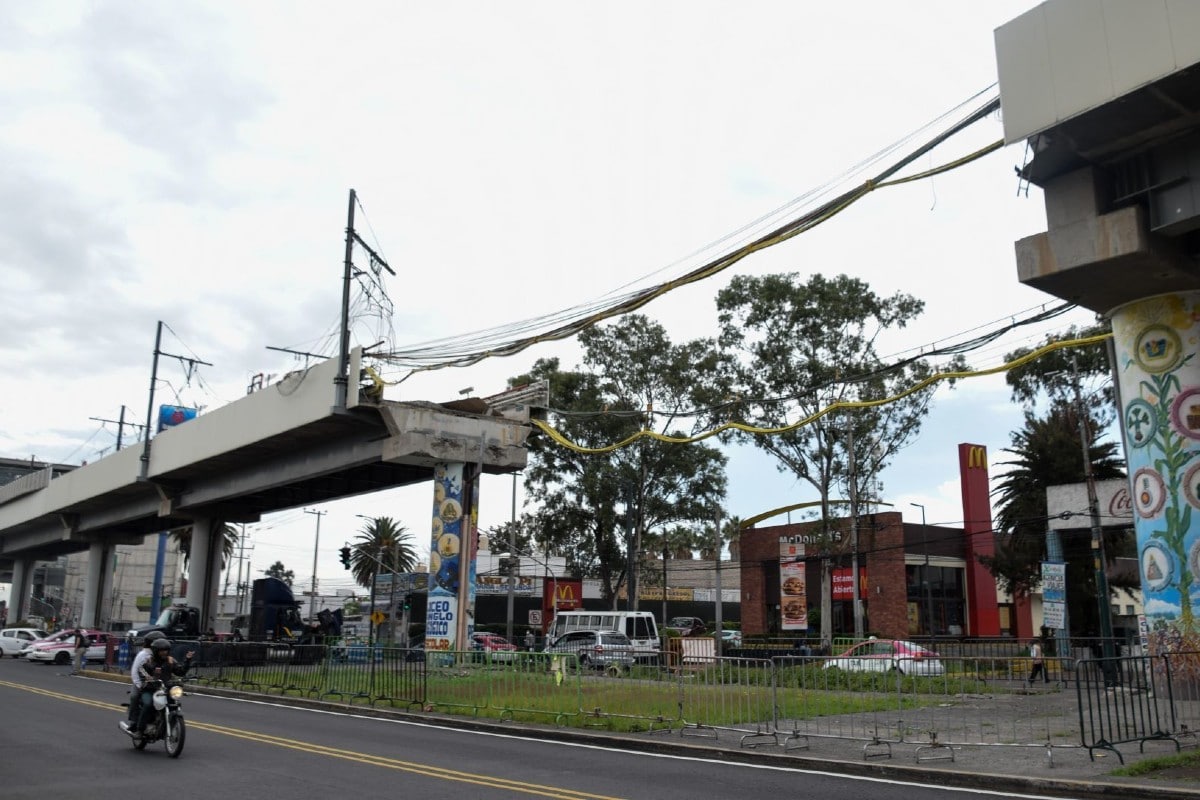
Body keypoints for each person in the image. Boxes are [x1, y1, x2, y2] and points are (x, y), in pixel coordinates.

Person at [129, 638, 194, 737]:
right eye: (162, 650)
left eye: (166, 650)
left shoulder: (170, 660)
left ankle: (168, 724)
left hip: (166, 689)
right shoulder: (149, 661)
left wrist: (188, 660)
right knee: (148, 704)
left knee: (174, 703)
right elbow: (141, 670)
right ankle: (140, 730)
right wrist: (148, 678)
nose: (164, 652)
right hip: (150, 689)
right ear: (156, 651)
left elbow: (180, 671)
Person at [120, 632, 164, 733]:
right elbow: (135, 671)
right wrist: (139, 685)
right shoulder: (143, 655)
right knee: (135, 697)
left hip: (157, 684)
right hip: (142, 683)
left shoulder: (161, 655)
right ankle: (134, 722)